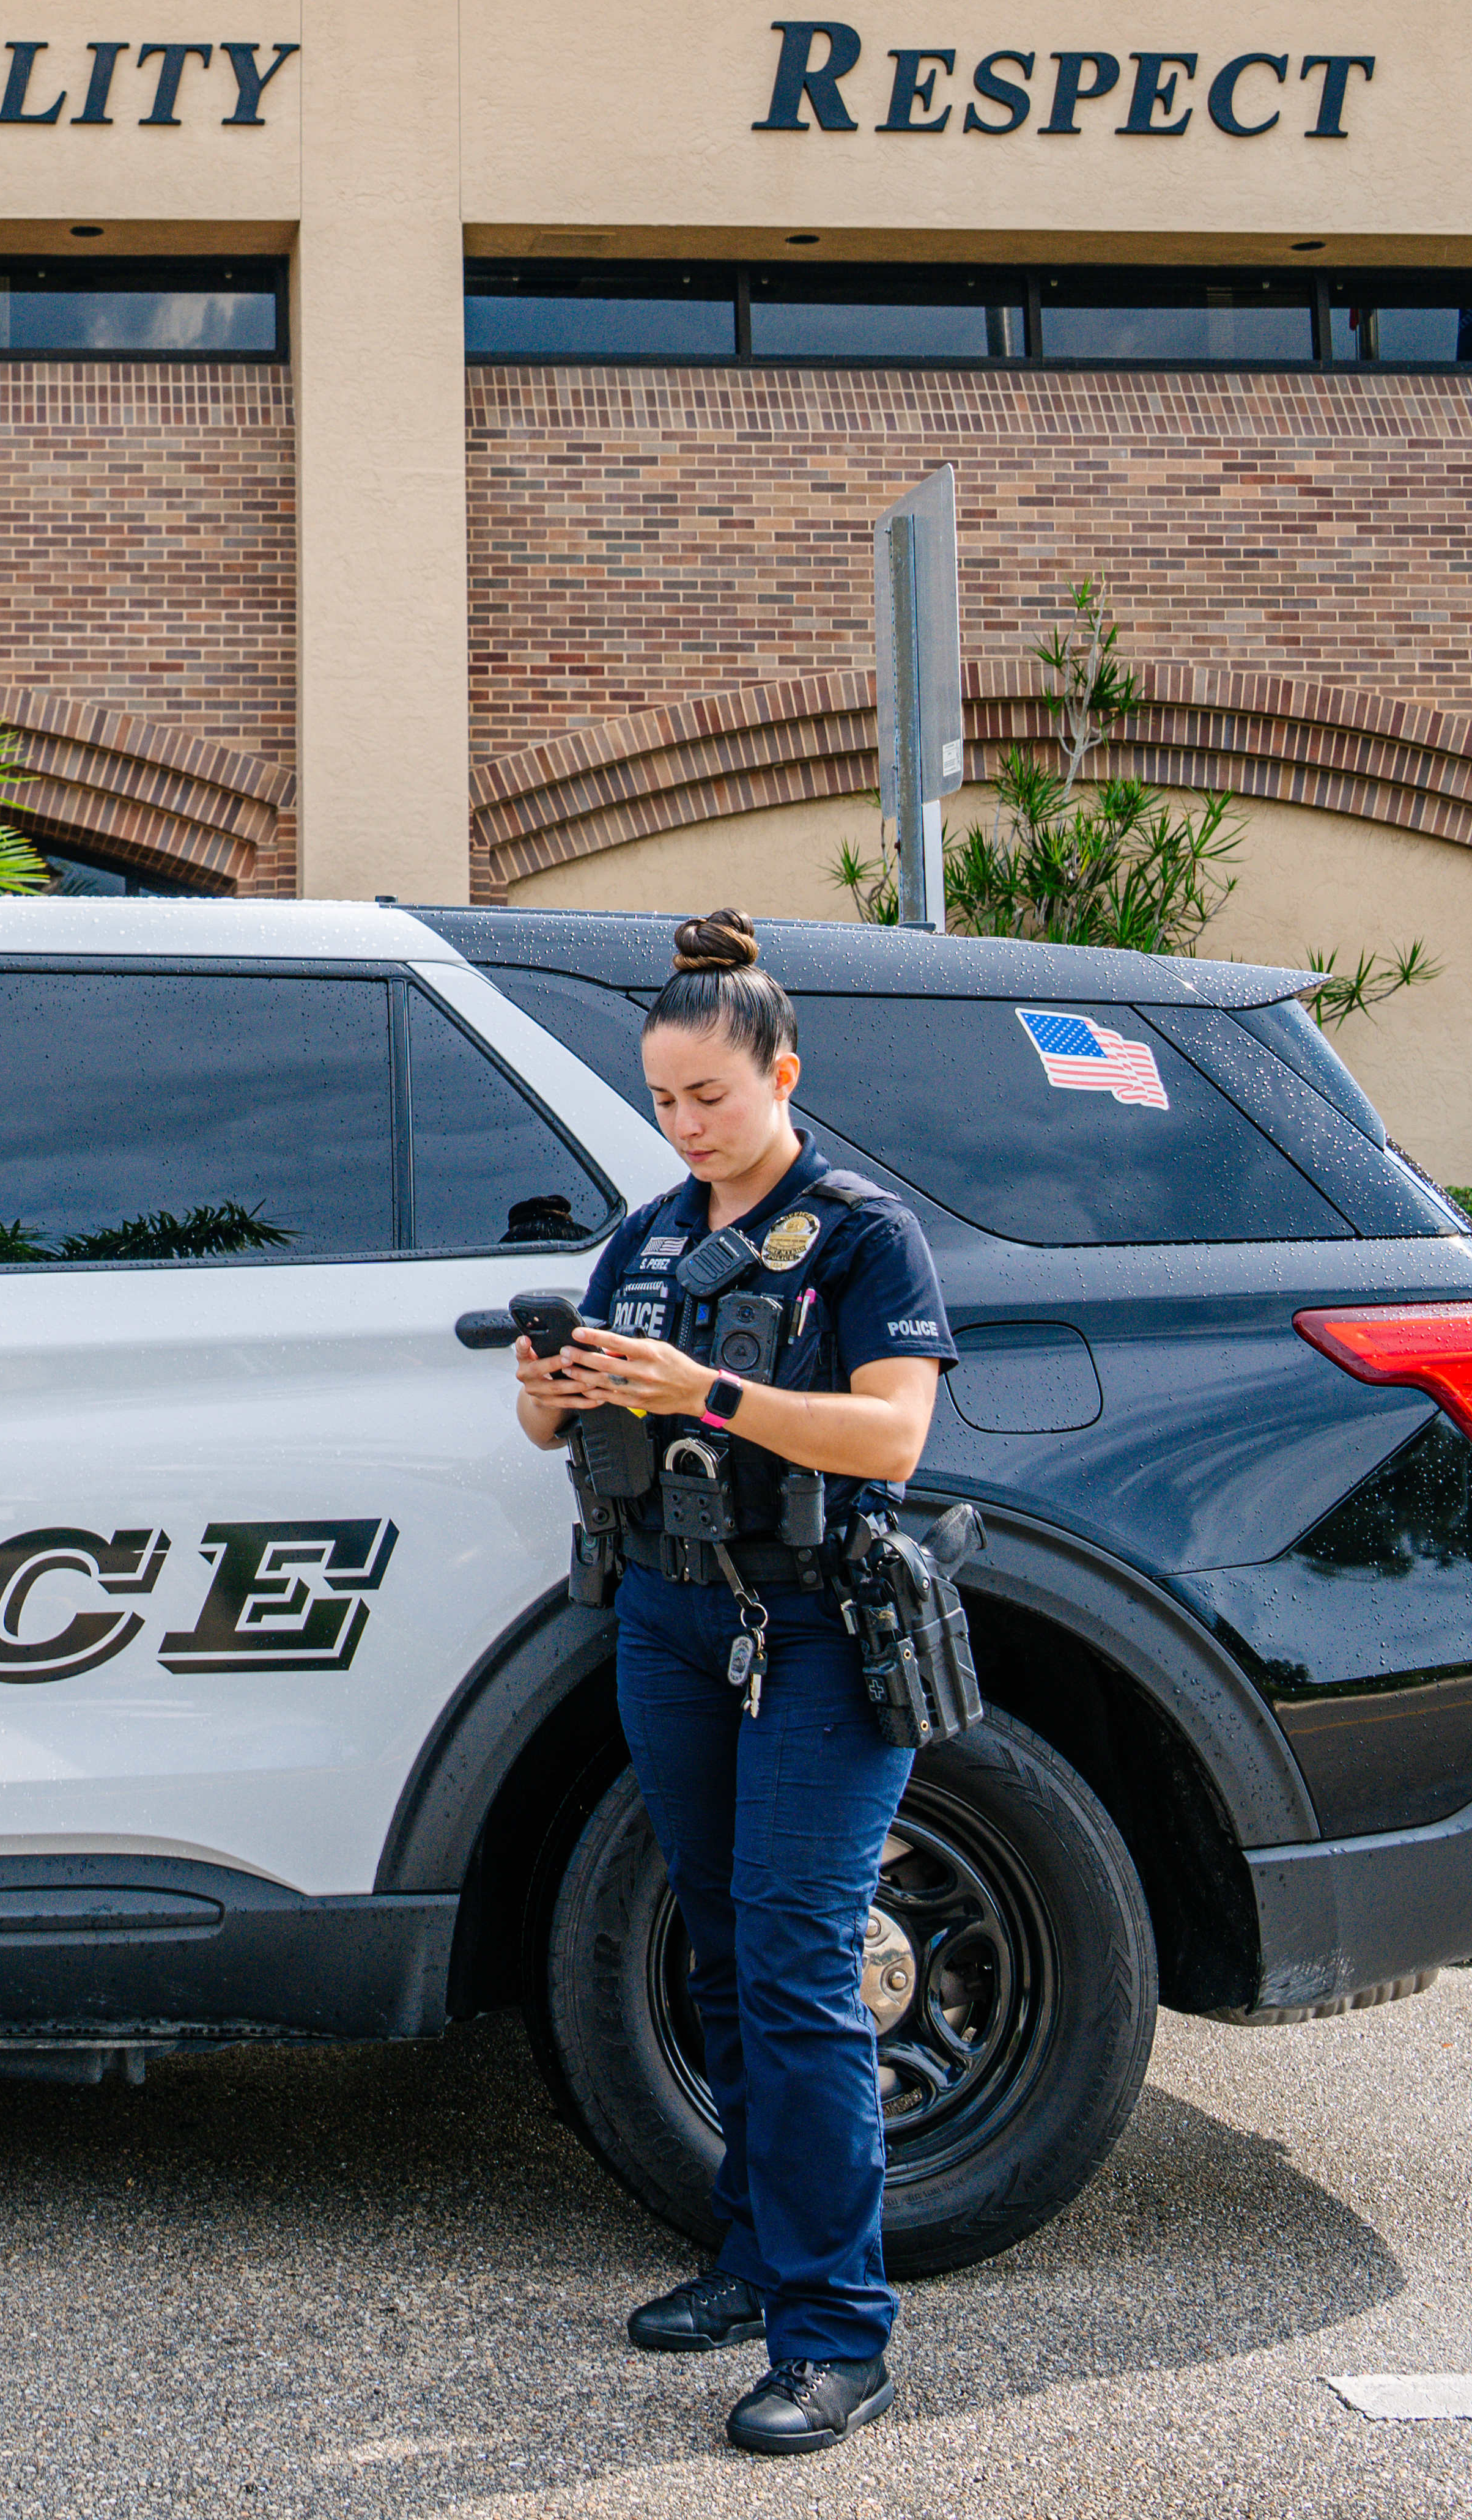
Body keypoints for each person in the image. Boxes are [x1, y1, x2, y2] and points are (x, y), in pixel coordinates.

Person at [512, 908, 957, 2458]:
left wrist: (706, 1385)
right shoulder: (644, 1237)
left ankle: (836, 2333)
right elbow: (559, 1438)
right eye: (661, 1099)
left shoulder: (861, 1232)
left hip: (822, 1628)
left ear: (780, 1070)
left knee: (795, 1967)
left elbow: (890, 1438)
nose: (683, 1123)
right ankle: (753, 2254)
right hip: (671, 1621)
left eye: (707, 1095)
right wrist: (550, 1393)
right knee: (716, 1953)